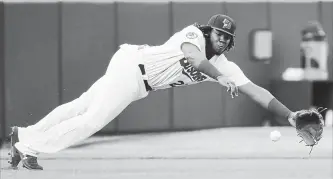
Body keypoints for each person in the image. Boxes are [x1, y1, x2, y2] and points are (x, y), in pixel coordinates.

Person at [7, 14, 297, 170]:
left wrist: (289, 115)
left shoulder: (224, 65)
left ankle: (24, 133)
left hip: (138, 81)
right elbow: (194, 58)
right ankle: (28, 147)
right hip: (133, 67)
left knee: (81, 105)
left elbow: (256, 91)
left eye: (227, 37)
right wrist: (220, 78)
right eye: (218, 33)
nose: (221, 39)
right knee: (92, 120)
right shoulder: (193, 34)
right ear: (209, 32)